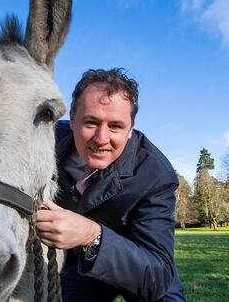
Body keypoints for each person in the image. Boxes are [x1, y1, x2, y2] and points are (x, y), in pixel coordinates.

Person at [36, 68, 186, 302]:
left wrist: (91, 235)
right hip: (77, 267)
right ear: (72, 117)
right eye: (91, 122)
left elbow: (157, 273)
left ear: (130, 128)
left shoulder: (156, 174)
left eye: (115, 126)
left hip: (140, 263)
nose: (101, 138)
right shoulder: (44, 139)